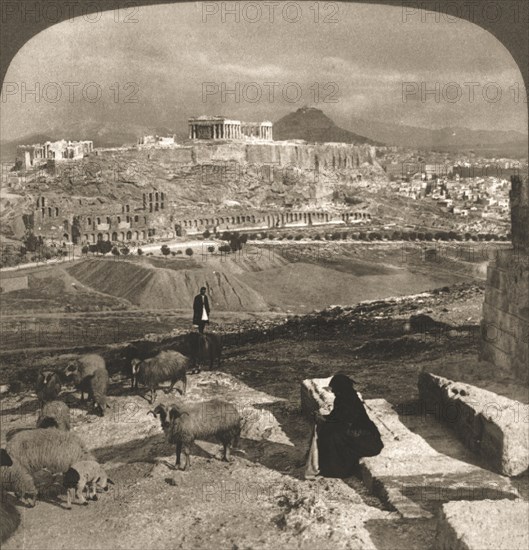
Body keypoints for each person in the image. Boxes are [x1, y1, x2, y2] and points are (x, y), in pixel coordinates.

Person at [305, 373, 383, 479]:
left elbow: (345, 422)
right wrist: (323, 418)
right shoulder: (343, 397)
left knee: (333, 436)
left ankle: (338, 470)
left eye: (335, 389)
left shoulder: (349, 400)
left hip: (364, 438)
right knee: (327, 432)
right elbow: (337, 416)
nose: (333, 392)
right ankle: (327, 466)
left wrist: (326, 421)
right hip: (353, 431)